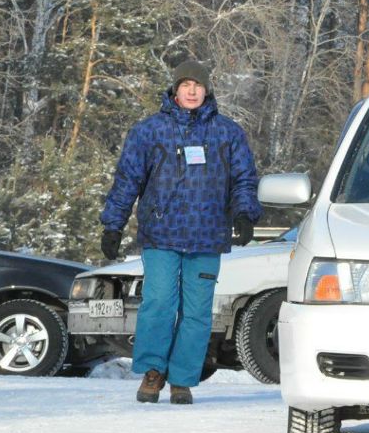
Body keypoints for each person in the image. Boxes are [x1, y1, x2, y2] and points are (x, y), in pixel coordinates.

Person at [99, 59, 261, 405]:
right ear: (175, 89)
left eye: (198, 85)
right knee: (158, 303)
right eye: (185, 84)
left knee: (198, 311)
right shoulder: (149, 131)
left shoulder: (227, 132)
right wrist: (113, 224)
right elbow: (128, 180)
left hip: (207, 236)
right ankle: (153, 372)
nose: (191, 91)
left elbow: (244, 178)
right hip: (161, 233)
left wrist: (245, 214)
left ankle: (183, 379)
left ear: (207, 90)